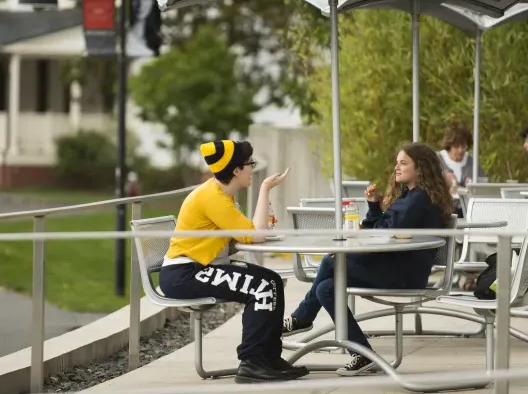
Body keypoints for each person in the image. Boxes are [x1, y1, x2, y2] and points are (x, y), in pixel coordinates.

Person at [282, 142, 454, 376]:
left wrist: (351, 250)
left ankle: (302, 318)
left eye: (404, 163)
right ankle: (362, 354)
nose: (397, 168)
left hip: (404, 274)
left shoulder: (419, 200)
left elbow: (384, 239)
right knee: (326, 289)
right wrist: (374, 206)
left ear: (421, 168)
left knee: (331, 262)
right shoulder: (410, 196)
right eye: (397, 163)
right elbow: (383, 231)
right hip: (394, 267)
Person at [159, 140, 308, 384]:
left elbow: (248, 233)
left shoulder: (219, 195)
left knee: (271, 280)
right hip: (183, 274)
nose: (253, 168)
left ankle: (269, 358)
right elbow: (255, 234)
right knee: (261, 287)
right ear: (236, 170)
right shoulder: (213, 197)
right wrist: (265, 189)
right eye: (250, 163)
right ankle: (252, 363)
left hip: (197, 268)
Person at [437, 121, 487, 189]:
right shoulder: (437, 159)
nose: (460, 150)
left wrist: (473, 182)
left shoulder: (472, 162)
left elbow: (484, 184)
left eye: (463, 146)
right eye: (456, 146)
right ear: (449, 145)